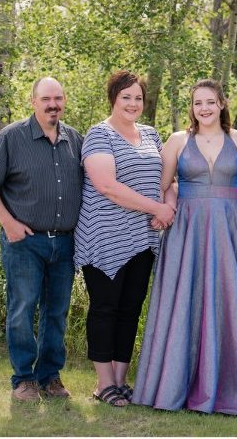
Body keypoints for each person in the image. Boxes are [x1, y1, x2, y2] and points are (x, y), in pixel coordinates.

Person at [133, 79, 237, 417]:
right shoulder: (176, 141)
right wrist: (163, 213)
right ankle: (176, 384)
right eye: (197, 103)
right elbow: (162, 186)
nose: (204, 108)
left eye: (210, 102)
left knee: (230, 302)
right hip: (188, 230)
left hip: (231, 230)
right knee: (187, 300)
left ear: (222, 104)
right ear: (192, 106)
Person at [0, 77, 83, 402]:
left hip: (64, 243)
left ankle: (49, 377)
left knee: (57, 312)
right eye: (46, 98)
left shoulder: (75, 139)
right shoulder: (12, 138)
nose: (53, 104)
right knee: (22, 308)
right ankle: (23, 379)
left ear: (64, 101)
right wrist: (8, 222)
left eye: (58, 98)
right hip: (25, 242)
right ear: (33, 101)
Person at [73, 70, 175, 407]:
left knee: (130, 309)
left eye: (138, 98)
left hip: (143, 238)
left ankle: (120, 380)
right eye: (126, 97)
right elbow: (107, 186)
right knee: (105, 308)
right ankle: (103, 384)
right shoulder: (99, 135)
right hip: (106, 237)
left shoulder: (150, 135)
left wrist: (168, 207)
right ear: (113, 98)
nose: (133, 103)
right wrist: (156, 208)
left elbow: (168, 180)